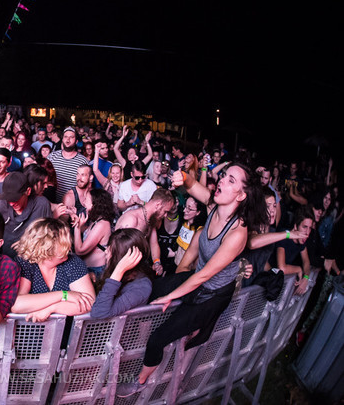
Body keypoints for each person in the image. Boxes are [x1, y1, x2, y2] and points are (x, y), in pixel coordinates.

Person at [116, 163, 267, 397]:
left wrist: (171, 296)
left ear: (242, 194)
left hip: (212, 295)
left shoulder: (238, 233)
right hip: (196, 279)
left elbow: (205, 275)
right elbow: (191, 183)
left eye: (231, 181)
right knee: (150, 288)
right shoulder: (213, 203)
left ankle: (141, 381)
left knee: (159, 338)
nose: (222, 182)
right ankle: (129, 339)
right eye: (224, 176)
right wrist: (181, 176)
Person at [10, 218, 95, 322]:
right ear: (46, 248)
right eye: (64, 243)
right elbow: (17, 305)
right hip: (30, 331)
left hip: (64, 332)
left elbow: (89, 302)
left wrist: (51, 309)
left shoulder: (73, 262)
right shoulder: (24, 263)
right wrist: (63, 295)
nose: (69, 247)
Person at [90, 228, 154, 319]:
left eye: (111, 249)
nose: (106, 251)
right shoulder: (115, 270)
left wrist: (119, 270)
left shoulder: (141, 287)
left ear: (122, 258)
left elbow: (98, 313)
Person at [73, 189, 117, 278]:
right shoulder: (97, 220)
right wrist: (75, 219)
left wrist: (77, 227)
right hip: (88, 268)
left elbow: (80, 251)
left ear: (95, 204)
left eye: (86, 199)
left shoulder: (103, 224)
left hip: (96, 271)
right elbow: (88, 232)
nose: (84, 202)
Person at [48, 127, 89, 202]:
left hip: (73, 205)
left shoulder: (83, 161)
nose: (68, 139)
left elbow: (87, 187)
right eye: (65, 137)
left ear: (76, 141)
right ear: (62, 139)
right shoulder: (52, 157)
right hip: (52, 203)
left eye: (71, 137)